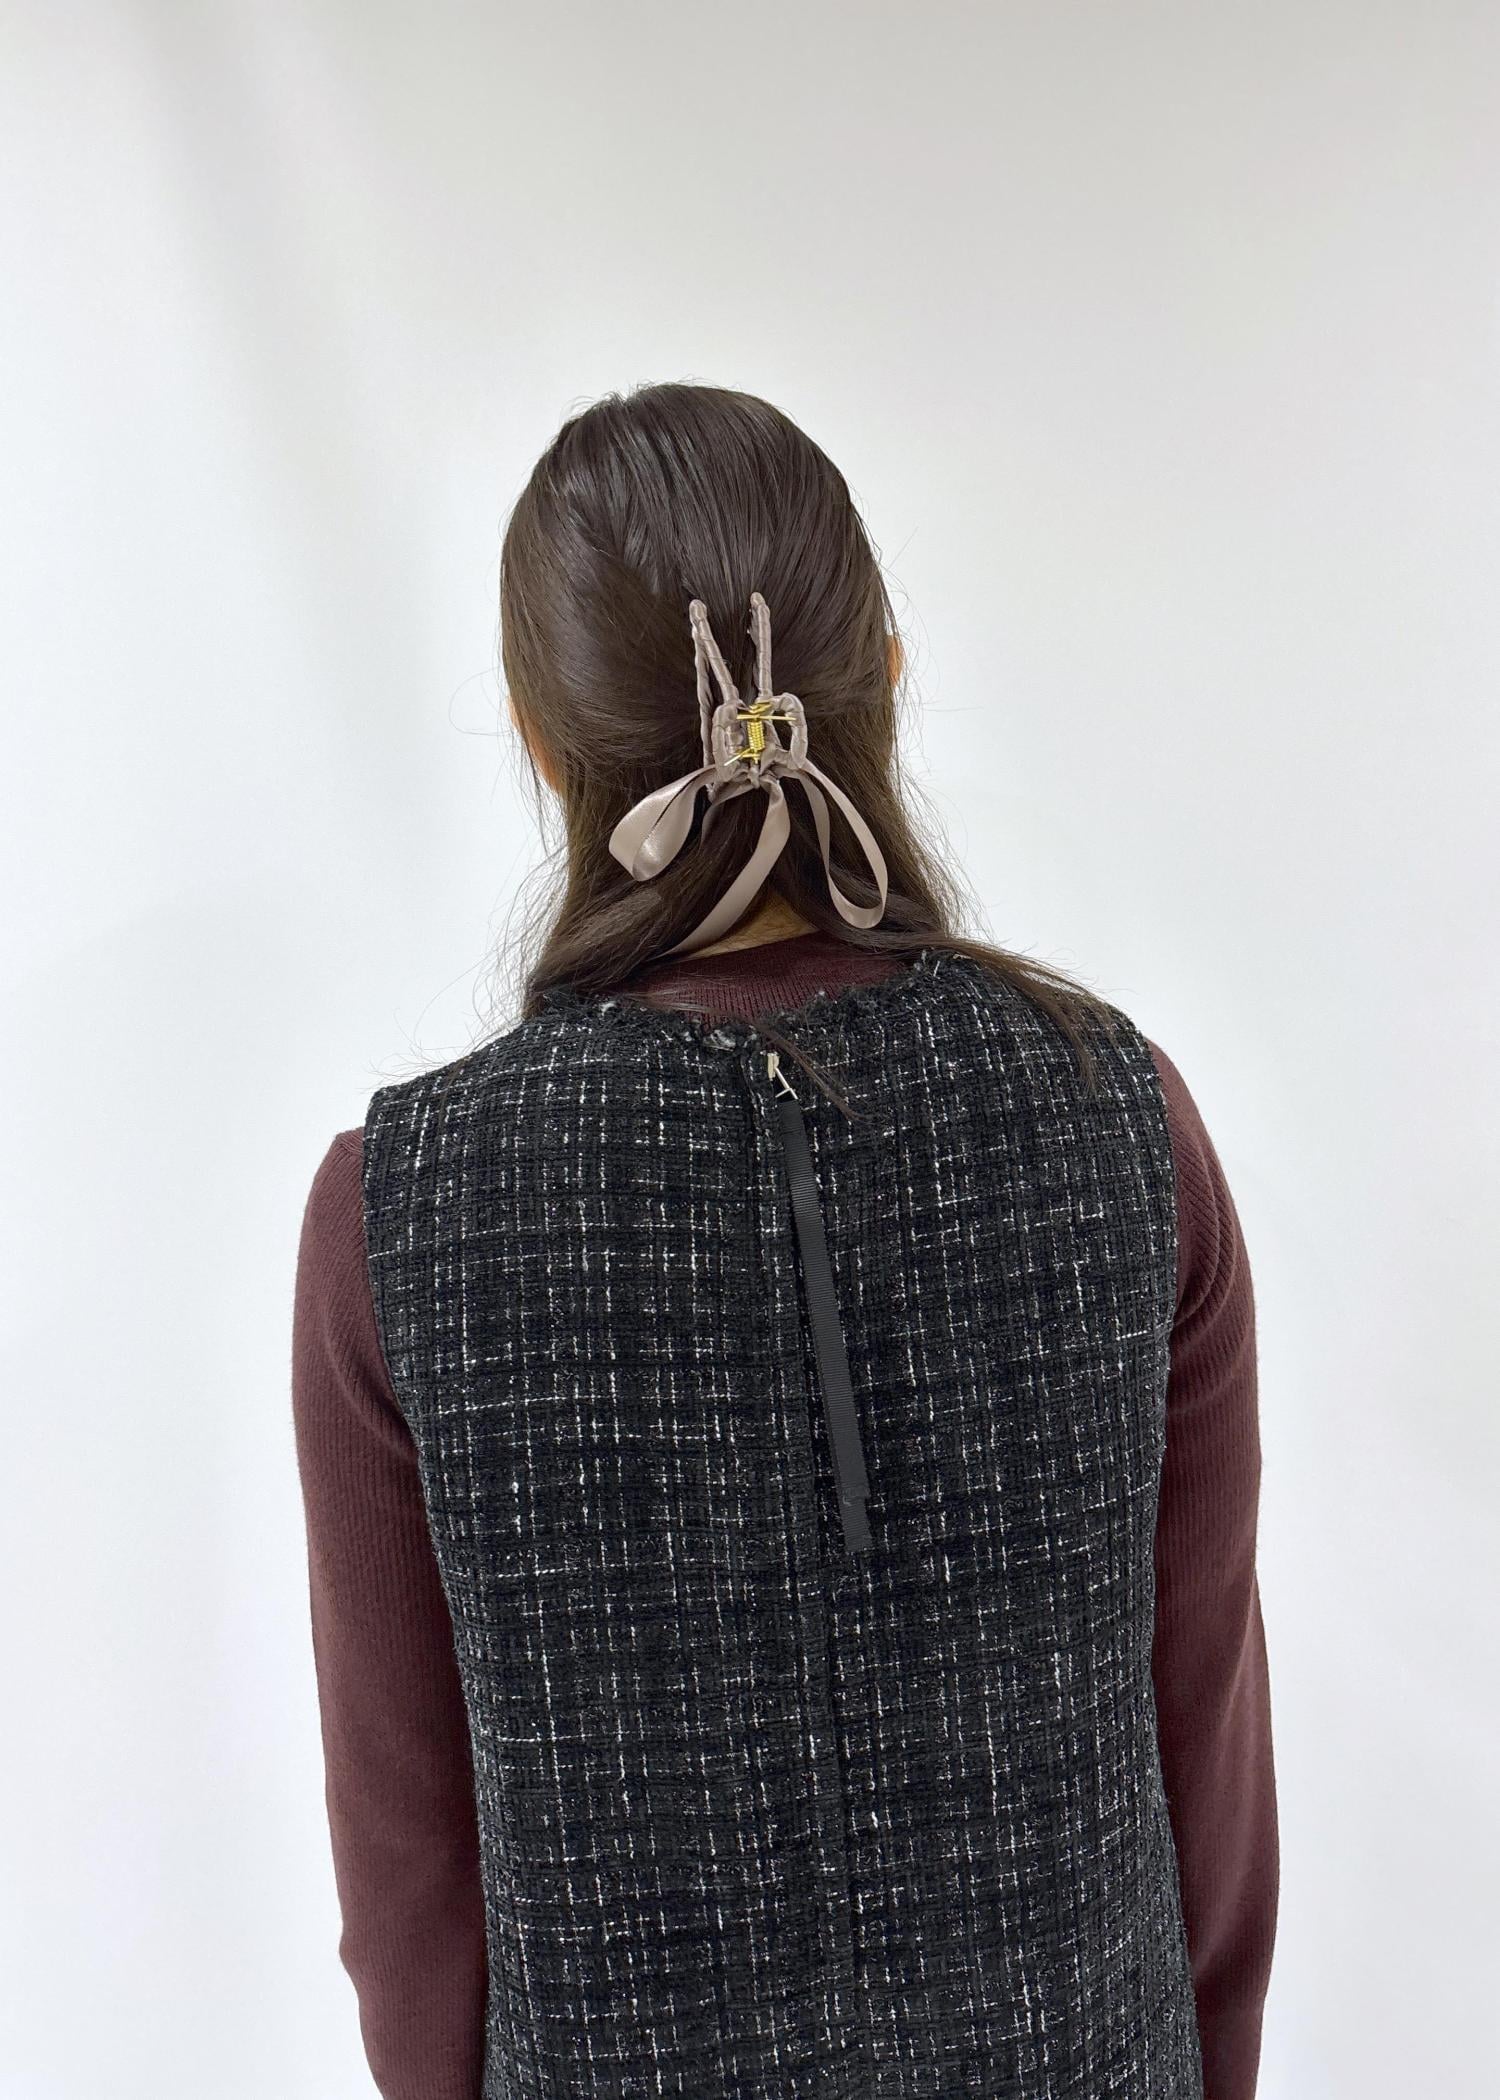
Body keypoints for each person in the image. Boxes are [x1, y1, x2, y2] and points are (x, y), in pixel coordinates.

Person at [291, 382, 1277, 2100]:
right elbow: (1207, 1741)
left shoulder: (395, 1213)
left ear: (542, 741)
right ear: (885, 671)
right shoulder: (1123, 1117)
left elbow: (411, 1883)